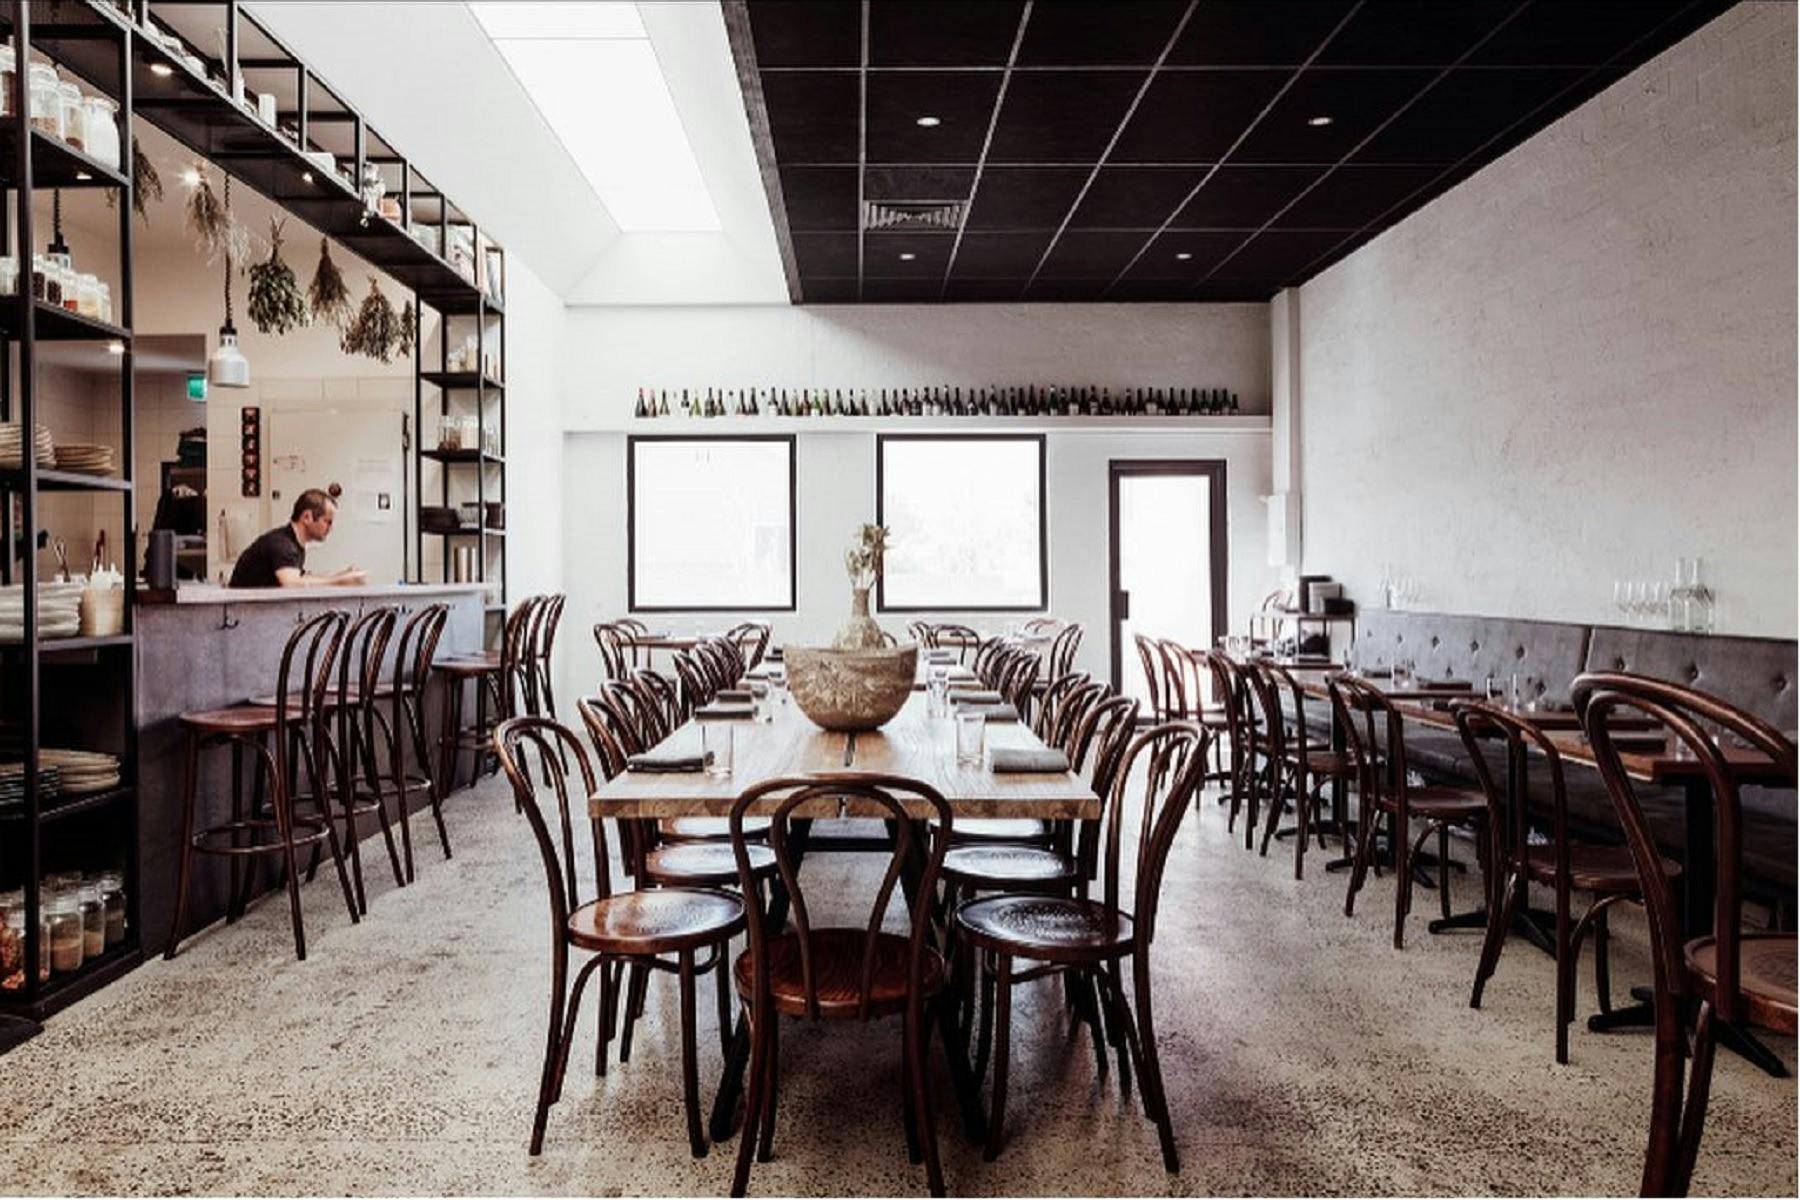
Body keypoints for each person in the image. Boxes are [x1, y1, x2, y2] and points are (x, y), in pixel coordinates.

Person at [228, 488, 368, 588]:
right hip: (242, 616)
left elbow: (301, 578)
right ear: (307, 517)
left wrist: (340, 575)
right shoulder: (282, 545)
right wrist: (339, 581)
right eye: (327, 521)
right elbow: (292, 583)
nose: (331, 528)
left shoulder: (292, 543)